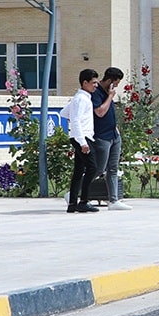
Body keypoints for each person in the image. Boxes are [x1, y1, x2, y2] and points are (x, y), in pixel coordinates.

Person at [61, 68, 101, 214]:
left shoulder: (81, 98)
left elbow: (64, 113)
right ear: (85, 83)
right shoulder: (81, 99)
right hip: (82, 137)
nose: (96, 85)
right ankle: (83, 201)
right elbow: (76, 120)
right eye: (93, 83)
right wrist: (83, 142)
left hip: (80, 136)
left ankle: (72, 203)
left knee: (79, 171)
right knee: (92, 168)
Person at [91, 66, 126, 209]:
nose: (116, 86)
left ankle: (113, 200)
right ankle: (74, 191)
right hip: (102, 136)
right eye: (116, 83)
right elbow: (99, 112)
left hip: (113, 135)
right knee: (99, 168)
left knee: (113, 168)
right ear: (110, 81)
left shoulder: (107, 92)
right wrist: (110, 96)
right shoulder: (96, 92)